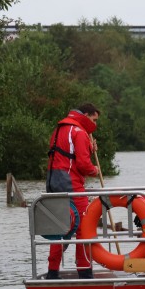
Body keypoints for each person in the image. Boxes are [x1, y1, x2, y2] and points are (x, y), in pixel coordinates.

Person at [45, 103, 100, 279]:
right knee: (84, 227)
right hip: (71, 184)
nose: (95, 123)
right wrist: (95, 170)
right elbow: (83, 165)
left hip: (53, 182)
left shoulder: (59, 129)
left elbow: (66, 153)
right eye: (94, 119)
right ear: (86, 115)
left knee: (59, 226)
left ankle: (52, 272)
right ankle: (84, 272)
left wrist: (91, 148)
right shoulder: (80, 132)